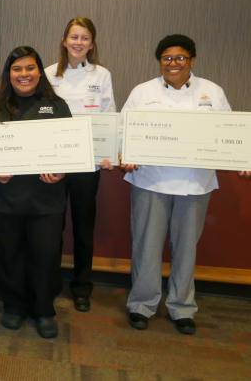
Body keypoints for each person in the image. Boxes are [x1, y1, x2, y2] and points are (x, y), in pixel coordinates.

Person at [120, 34, 249, 335]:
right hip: (151, 181)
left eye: (180, 57)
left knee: (186, 249)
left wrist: (241, 158)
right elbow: (124, 130)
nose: (173, 63)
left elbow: (229, 133)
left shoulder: (212, 92)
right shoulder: (143, 92)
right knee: (146, 248)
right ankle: (141, 304)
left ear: (191, 59)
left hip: (195, 183)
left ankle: (181, 307)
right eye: (167, 58)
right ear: (159, 61)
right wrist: (127, 153)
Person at [0, 46, 71, 339]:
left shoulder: (57, 106)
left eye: (30, 68)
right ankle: (14, 306)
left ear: (39, 72)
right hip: (5, 197)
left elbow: (70, 149)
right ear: (9, 73)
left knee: (45, 255)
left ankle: (43, 309)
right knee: (8, 254)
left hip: (46, 199)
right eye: (17, 69)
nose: (24, 75)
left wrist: (62, 171)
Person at [44, 17, 116, 312]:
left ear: (91, 43)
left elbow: (109, 113)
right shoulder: (48, 74)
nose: (78, 43)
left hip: (88, 163)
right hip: (55, 162)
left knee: (84, 226)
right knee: (52, 225)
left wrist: (109, 150)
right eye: (74, 37)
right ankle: (49, 283)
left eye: (84, 38)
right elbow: (42, 118)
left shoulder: (102, 75)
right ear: (64, 40)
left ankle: (82, 286)